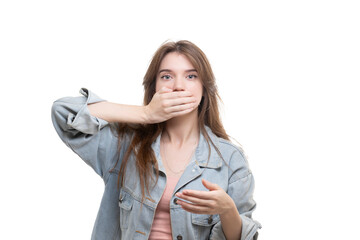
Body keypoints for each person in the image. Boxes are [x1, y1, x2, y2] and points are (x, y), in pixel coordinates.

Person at [51, 40, 261, 240]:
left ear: (204, 88)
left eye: (191, 76)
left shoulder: (230, 159)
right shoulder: (124, 145)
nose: (179, 86)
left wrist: (227, 210)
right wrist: (145, 114)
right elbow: (63, 112)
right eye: (167, 76)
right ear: (154, 88)